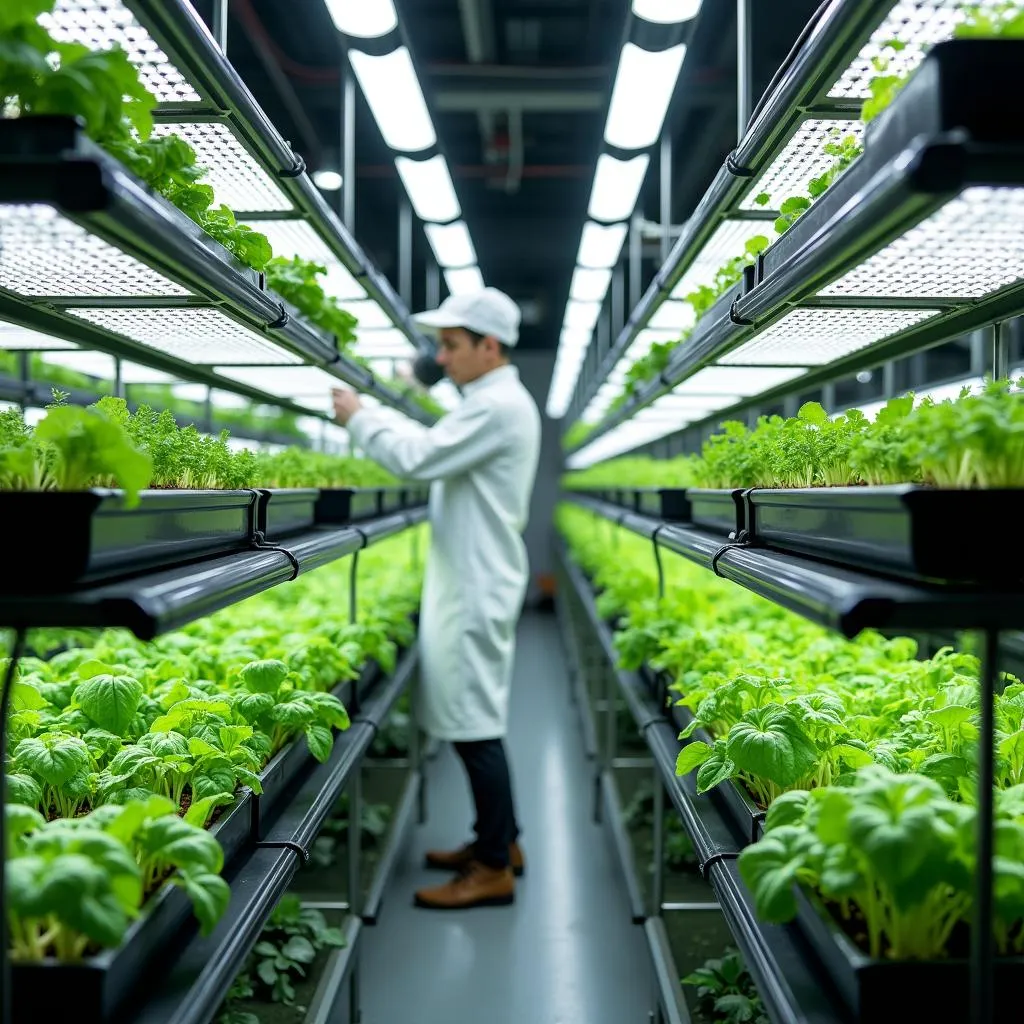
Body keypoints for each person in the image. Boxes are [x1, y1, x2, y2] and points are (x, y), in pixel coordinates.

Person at [331, 287, 541, 910]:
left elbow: (420, 456)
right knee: (477, 717)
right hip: (474, 577)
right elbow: (445, 421)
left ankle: (494, 866)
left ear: (490, 346)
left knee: (474, 727)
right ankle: (498, 839)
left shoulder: (497, 408)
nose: (442, 359)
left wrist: (360, 417)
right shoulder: (491, 399)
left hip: (475, 584)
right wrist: (422, 374)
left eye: (451, 346)